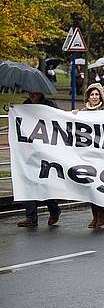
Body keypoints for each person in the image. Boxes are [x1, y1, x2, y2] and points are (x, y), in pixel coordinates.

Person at [17, 92, 61, 228]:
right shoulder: (25, 105)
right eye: (29, 92)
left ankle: (54, 209)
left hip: (46, 152)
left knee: (43, 184)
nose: (31, 94)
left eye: (34, 92)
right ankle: (31, 218)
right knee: (28, 182)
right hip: (30, 150)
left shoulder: (50, 105)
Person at [74, 83, 104, 228]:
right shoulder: (83, 112)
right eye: (92, 94)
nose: (94, 97)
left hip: (102, 155)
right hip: (88, 154)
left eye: (97, 94)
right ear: (88, 97)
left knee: (98, 185)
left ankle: (102, 212)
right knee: (89, 185)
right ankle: (96, 213)